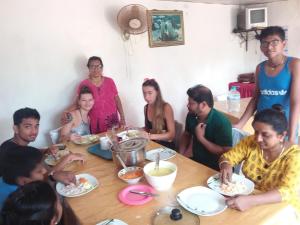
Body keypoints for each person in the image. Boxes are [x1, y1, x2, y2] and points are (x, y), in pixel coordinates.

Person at [219, 107, 300, 214]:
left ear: (281, 136)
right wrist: (225, 165)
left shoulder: (294, 156)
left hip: (281, 207)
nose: (258, 139)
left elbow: (286, 191)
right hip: (249, 199)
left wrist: (251, 201)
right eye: (256, 132)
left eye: (265, 135)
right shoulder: (250, 142)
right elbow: (228, 157)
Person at [235, 26, 300, 143]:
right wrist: (239, 124)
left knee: (283, 160)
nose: (269, 47)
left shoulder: (294, 64)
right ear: (261, 46)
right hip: (262, 126)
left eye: (274, 42)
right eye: (264, 43)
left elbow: (296, 102)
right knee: (261, 159)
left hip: (282, 128)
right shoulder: (260, 68)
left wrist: (291, 136)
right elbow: (255, 99)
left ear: (283, 44)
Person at [0, 107, 85, 176]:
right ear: (16, 128)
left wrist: (46, 150)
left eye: (36, 126)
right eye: (28, 126)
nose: (34, 131)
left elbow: (28, 153)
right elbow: (47, 176)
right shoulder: (26, 153)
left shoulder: (6, 145)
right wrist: (69, 158)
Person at [63, 56, 126, 133]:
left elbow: (117, 99)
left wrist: (122, 117)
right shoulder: (84, 84)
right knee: (98, 143)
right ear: (88, 68)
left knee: (115, 141)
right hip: (95, 122)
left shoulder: (110, 81)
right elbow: (78, 103)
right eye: (92, 66)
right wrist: (66, 111)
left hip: (112, 121)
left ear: (102, 68)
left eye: (98, 66)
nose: (95, 69)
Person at [179, 84, 232, 170]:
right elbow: (186, 134)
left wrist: (201, 138)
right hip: (197, 162)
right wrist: (181, 155)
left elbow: (225, 151)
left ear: (203, 105)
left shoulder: (222, 122)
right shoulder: (191, 115)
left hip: (216, 168)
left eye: (191, 103)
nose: (187, 105)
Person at [141, 79, 175, 149]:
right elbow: (148, 129)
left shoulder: (166, 107)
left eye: (150, 93)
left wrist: (150, 136)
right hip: (152, 145)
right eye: (144, 93)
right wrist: (135, 130)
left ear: (157, 92)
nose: (146, 97)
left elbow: (171, 134)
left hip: (166, 147)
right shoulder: (146, 108)